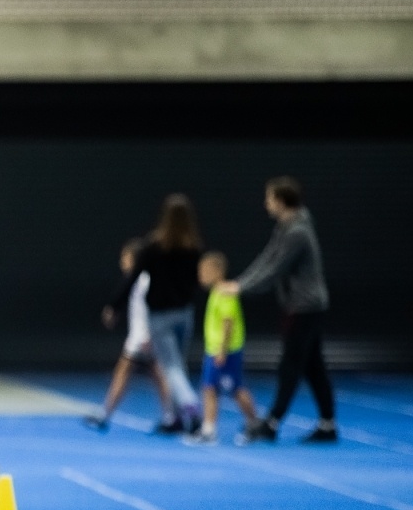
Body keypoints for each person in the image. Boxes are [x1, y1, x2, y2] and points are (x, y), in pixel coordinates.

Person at [226, 176, 336, 444]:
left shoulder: (297, 232)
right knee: (313, 367)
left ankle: (272, 422)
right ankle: (327, 424)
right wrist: (240, 282)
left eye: (269, 198)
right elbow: (267, 259)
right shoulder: (286, 227)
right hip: (302, 305)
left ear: (281, 200)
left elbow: (275, 268)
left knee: (290, 364)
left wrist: (241, 288)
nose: (266, 204)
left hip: (304, 307)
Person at [107, 194, 204, 434]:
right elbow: (195, 282)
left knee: (170, 367)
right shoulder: (193, 248)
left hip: (161, 316)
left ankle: (189, 404)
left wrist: (114, 306)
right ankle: (177, 418)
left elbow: (133, 277)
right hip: (184, 313)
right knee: (177, 366)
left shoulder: (154, 247)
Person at [85, 238, 170, 432]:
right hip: (140, 336)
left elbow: (151, 310)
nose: (121, 261)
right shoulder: (138, 280)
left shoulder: (144, 281)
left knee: (134, 373)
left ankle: (106, 414)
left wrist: (148, 335)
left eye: (125, 257)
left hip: (143, 338)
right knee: (157, 375)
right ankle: (170, 415)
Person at [186, 252, 261, 446]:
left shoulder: (225, 293)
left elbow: (228, 322)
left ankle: (251, 423)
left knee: (232, 389)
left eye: (204, 271)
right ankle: (210, 428)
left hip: (225, 351)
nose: (200, 276)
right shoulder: (216, 292)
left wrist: (222, 350)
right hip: (215, 350)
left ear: (218, 271)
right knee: (210, 387)